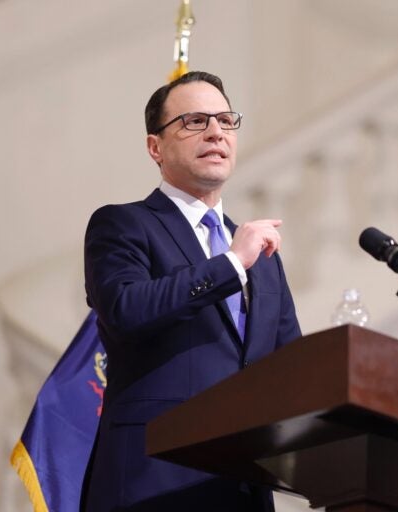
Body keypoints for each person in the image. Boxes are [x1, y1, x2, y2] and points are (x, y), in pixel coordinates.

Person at [81, 71, 301, 511]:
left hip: (243, 487)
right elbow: (126, 309)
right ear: (155, 147)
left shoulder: (263, 256)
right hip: (153, 481)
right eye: (195, 121)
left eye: (225, 120)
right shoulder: (124, 224)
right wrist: (231, 264)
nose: (216, 132)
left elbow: (292, 369)